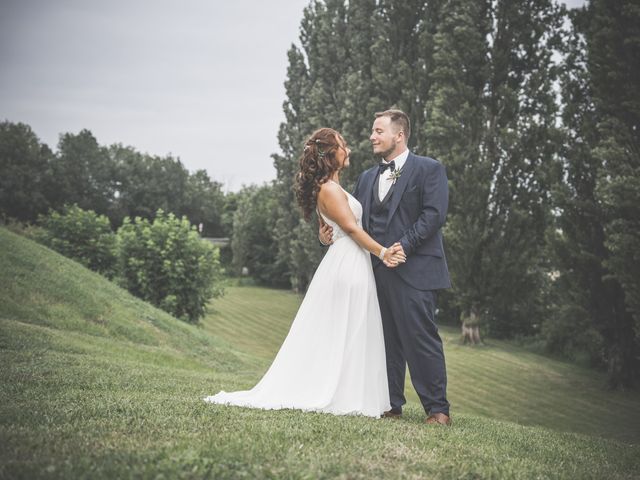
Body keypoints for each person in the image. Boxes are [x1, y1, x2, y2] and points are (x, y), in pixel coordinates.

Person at [204, 127, 405, 418]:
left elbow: (333, 231)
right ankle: (340, 393)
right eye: (342, 145)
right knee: (348, 325)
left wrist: (326, 236)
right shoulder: (329, 189)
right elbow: (350, 228)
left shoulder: (333, 188)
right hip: (348, 264)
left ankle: (352, 393)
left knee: (351, 327)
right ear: (330, 154)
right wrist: (383, 252)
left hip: (349, 260)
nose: (347, 150)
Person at [319, 109, 452, 425]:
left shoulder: (429, 169)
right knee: (384, 340)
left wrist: (401, 247)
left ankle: (438, 410)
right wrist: (329, 237)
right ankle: (391, 404)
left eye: (378, 131)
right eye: (372, 131)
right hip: (375, 272)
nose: (372, 136)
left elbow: (433, 216)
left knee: (420, 338)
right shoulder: (366, 177)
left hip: (415, 269)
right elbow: (355, 225)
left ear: (399, 135)